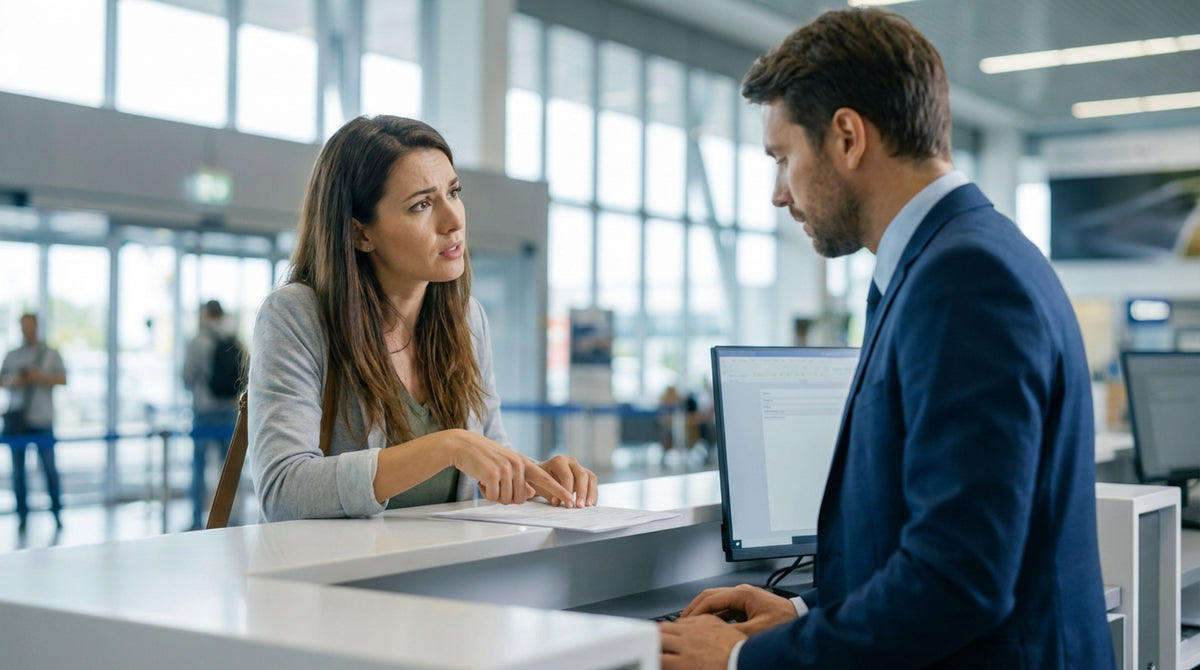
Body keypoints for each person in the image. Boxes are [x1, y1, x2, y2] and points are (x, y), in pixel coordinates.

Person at [659, 8, 1114, 670]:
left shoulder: (965, 280)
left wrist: (742, 663)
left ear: (847, 137)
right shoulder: (951, 260)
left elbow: (958, 579)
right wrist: (801, 614)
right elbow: (926, 538)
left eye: (784, 158)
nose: (778, 195)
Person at [249, 115, 597, 521]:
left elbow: (486, 457)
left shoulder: (466, 320)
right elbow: (283, 489)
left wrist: (535, 476)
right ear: (360, 233)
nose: (453, 221)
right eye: (422, 204)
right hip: (341, 579)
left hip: (447, 574)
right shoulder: (296, 315)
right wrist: (446, 447)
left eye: (454, 192)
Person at [0, 313, 66, 533]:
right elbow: (3, 380)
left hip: (43, 419)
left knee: (49, 469)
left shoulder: (50, 354)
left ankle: (57, 514)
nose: (27, 330)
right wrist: (16, 381)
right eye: (23, 326)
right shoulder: (12, 355)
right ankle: (22, 517)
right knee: (18, 472)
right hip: (18, 421)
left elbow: (63, 379)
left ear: (37, 326)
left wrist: (40, 377)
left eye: (30, 326)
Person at [182, 299, 243, 530]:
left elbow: (188, 376)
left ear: (206, 315)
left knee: (198, 466)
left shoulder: (199, 342)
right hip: (230, 411)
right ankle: (233, 518)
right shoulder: (235, 340)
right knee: (230, 468)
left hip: (205, 411)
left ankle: (197, 519)